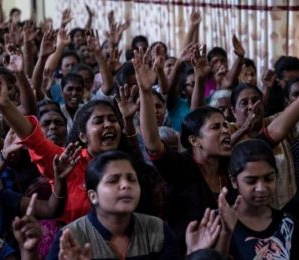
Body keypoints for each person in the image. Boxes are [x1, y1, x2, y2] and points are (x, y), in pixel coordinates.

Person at [0, 73, 140, 225]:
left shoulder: (127, 163)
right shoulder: (68, 161)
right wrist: (5, 104)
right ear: (83, 136)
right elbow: (35, 139)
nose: (108, 125)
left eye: (113, 120)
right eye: (99, 121)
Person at [134, 47, 233, 253]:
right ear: (195, 140)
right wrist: (145, 92)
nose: (225, 131)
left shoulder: (230, 167)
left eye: (225, 126)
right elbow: (152, 141)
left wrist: (200, 79)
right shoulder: (181, 167)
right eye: (216, 127)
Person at [48, 151, 181, 259]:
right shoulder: (70, 238)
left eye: (132, 179)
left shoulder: (158, 229)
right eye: (113, 180)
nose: (126, 185)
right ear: (93, 196)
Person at [229, 83, 299, 209]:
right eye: (244, 103)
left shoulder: (275, 122)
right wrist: (244, 129)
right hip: (250, 212)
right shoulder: (228, 131)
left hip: (288, 208)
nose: (251, 106)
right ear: (233, 111)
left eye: (256, 100)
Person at [228, 139, 299, 259]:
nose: (261, 188)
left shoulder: (288, 225)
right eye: (251, 181)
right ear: (234, 181)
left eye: (269, 179)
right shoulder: (221, 226)